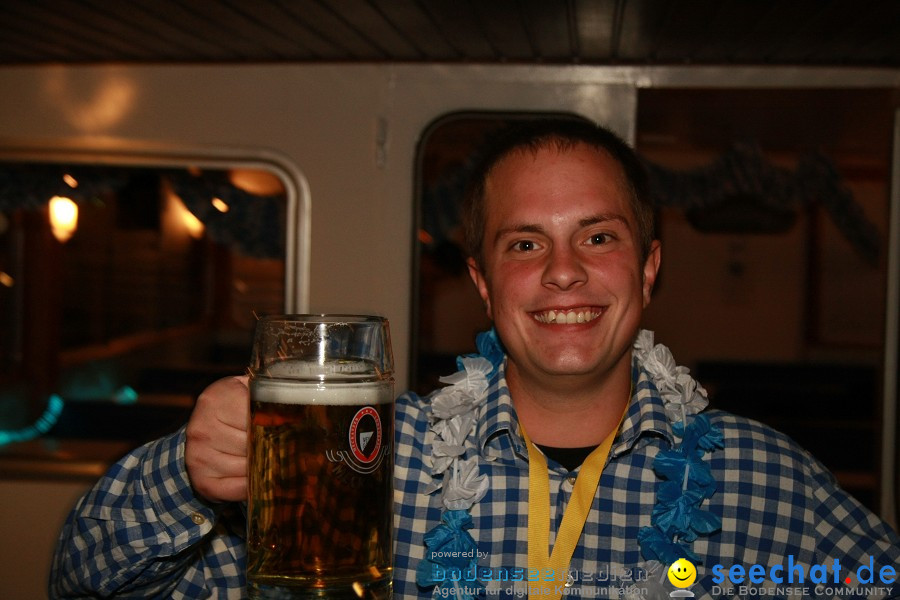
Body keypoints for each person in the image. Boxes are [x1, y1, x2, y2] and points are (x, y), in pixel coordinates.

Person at [50, 119, 900, 599]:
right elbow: (81, 581)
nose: (563, 271)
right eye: (525, 242)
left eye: (597, 237)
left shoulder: (764, 481)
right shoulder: (357, 464)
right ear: (483, 285)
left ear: (647, 267)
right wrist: (188, 473)